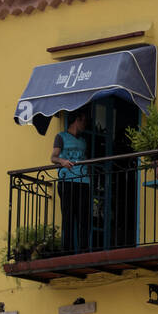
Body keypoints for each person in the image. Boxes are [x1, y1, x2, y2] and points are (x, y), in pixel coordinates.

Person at [52, 108, 92, 254]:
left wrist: (88, 168)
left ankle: (83, 249)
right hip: (66, 180)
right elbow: (53, 157)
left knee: (84, 217)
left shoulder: (83, 141)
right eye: (84, 121)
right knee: (68, 216)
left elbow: (84, 158)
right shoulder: (60, 137)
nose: (85, 125)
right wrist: (62, 161)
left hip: (83, 182)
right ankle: (67, 250)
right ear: (77, 120)